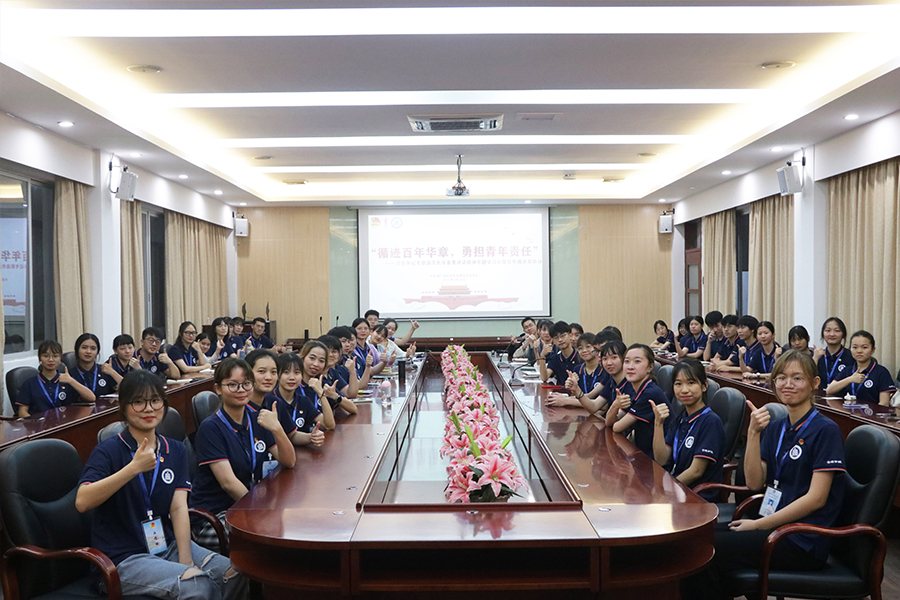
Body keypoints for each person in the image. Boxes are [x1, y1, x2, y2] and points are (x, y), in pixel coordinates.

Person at [75, 370, 246, 600]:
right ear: (123, 407)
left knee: (236, 573)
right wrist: (132, 468)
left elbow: (178, 508)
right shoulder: (109, 451)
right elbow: (82, 501)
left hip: (165, 546)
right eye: (138, 402)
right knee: (197, 586)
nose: (148, 409)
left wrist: (186, 560)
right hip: (122, 559)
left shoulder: (175, 449)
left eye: (155, 400)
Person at [694, 351, 846, 598]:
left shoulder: (826, 430)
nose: (788, 384)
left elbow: (816, 499)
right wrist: (753, 433)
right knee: (698, 541)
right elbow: (755, 482)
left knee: (706, 551)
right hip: (773, 526)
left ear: (814, 383)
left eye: (797, 378)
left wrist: (758, 525)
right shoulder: (777, 427)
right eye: (781, 378)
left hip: (801, 539)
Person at [190, 358, 295, 549]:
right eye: (233, 385)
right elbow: (228, 483)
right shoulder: (210, 428)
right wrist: (260, 512)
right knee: (271, 540)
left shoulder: (257, 418)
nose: (241, 390)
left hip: (247, 505)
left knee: (288, 526)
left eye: (246, 384)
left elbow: (289, 461)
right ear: (218, 389)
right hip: (215, 516)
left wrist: (277, 429)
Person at [650, 359, 725, 501]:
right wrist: (658, 424)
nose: (684, 389)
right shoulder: (680, 419)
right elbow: (661, 459)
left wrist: (667, 489)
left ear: (704, 386)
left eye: (691, 383)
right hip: (678, 490)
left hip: (698, 497)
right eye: (678, 384)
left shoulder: (711, 422)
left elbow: (696, 471)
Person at [605, 344, 669, 457]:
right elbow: (609, 422)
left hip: (655, 458)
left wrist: (616, 409)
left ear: (650, 367)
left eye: (637, 361)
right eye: (627, 361)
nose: (630, 367)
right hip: (642, 451)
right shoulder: (635, 389)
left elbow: (617, 427)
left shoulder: (650, 393)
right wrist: (615, 405)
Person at [264, 346, 334, 446]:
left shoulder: (303, 401)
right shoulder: (268, 401)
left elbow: (329, 424)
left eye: (297, 373)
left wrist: (321, 394)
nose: (292, 377)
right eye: (286, 372)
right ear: (277, 375)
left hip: (302, 450)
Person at [15, 340, 93, 417]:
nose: (51, 360)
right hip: (40, 424)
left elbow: (91, 398)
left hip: (65, 422)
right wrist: (34, 422)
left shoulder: (67, 380)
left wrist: (71, 381)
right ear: (39, 358)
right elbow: (22, 412)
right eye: (46, 356)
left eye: (55, 356)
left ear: (60, 358)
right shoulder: (30, 384)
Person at [825, 330, 897, 406]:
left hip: (871, 413)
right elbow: (829, 391)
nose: (859, 351)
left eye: (864, 347)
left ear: (873, 350)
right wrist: (850, 379)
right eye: (855, 347)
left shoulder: (881, 372)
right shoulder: (848, 370)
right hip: (848, 412)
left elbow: (884, 403)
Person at [550, 332, 599, 408]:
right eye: (580, 348)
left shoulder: (604, 370)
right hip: (579, 411)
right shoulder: (577, 369)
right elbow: (576, 396)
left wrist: (565, 400)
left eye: (588, 346)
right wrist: (571, 387)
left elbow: (598, 403)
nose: (584, 350)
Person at [319, 335, 360, 414]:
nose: (331, 355)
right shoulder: (317, 377)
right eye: (327, 351)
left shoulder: (332, 372)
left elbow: (351, 394)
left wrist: (352, 371)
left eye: (334, 352)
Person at [813, 317, 855, 391]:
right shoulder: (817, 355)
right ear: (823, 334)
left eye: (837, 331)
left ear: (843, 334)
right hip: (819, 396)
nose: (832, 334)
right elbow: (806, 378)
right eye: (828, 330)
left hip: (844, 397)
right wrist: (815, 359)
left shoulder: (852, 356)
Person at [70, 333, 116, 400]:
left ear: (97, 351)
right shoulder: (70, 375)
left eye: (93, 348)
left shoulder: (104, 371)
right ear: (77, 350)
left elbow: (127, 389)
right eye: (84, 347)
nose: (88, 351)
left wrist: (113, 373)